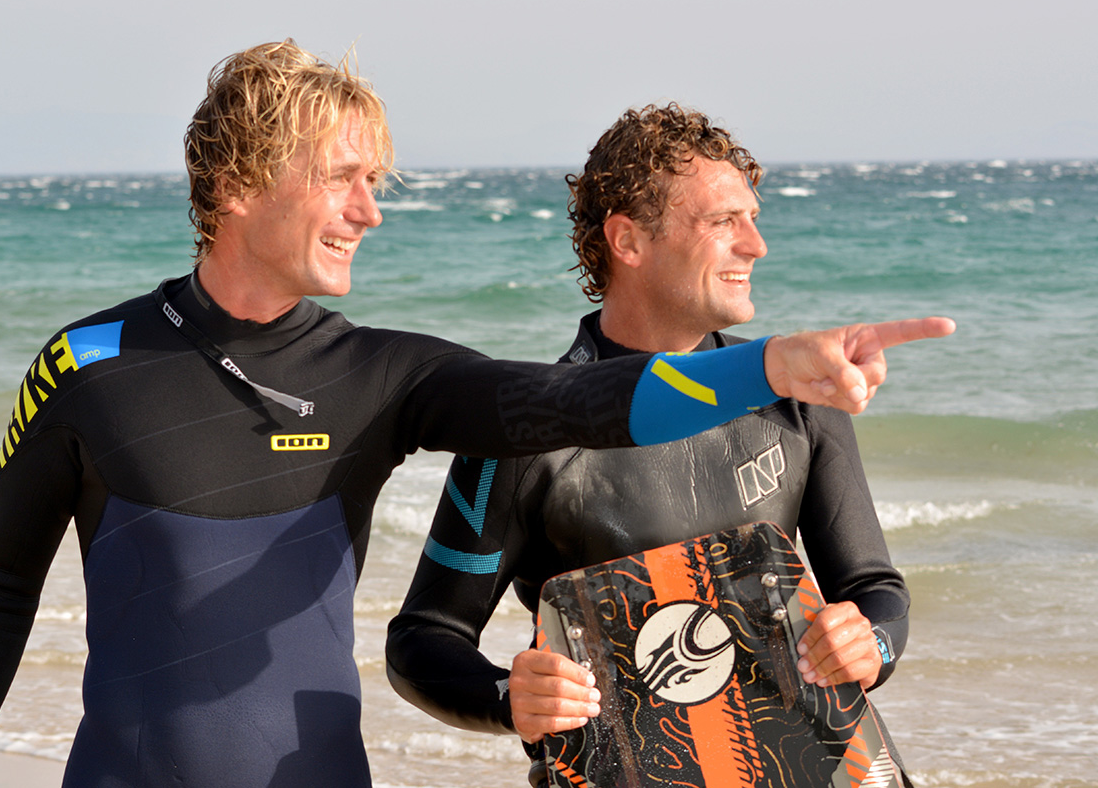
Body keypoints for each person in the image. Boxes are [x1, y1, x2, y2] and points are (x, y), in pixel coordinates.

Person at [0, 42, 950, 788]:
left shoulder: (380, 374)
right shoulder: (85, 363)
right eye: (344, 179)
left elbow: (574, 398)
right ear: (236, 184)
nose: (371, 208)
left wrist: (768, 364)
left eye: (376, 181)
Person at [386, 104, 919, 784]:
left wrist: (866, 641)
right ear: (628, 240)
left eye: (753, 219)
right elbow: (421, 637)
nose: (756, 246)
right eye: (724, 222)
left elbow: (875, 588)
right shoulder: (525, 434)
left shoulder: (795, 400)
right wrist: (508, 696)